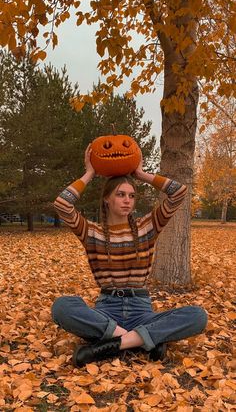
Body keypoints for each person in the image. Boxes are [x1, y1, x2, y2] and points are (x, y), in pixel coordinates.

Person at [52, 146, 207, 367]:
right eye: (121, 194)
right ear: (107, 199)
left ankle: (110, 345)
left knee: (198, 316)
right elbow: (62, 204)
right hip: (107, 312)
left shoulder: (148, 226)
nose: (127, 200)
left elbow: (179, 192)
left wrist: (141, 175)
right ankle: (141, 340)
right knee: (62, 307)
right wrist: (89, 174)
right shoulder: (91, 232)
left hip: (141, 310)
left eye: (132, 196)